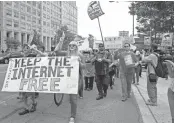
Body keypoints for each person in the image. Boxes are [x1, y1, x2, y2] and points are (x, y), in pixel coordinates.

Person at [54, 34, 84, 123]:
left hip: (76, 79)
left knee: (73, 99)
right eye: (70, 45)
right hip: (66, 78)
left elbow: (84, 67)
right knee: (71, 98)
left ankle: (72, 116)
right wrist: (61, 40)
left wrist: (79, 62)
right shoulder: (66, 54)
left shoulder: (80, 55)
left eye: (73, 45)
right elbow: (56, 51)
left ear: (76, 47)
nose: (71, 46)